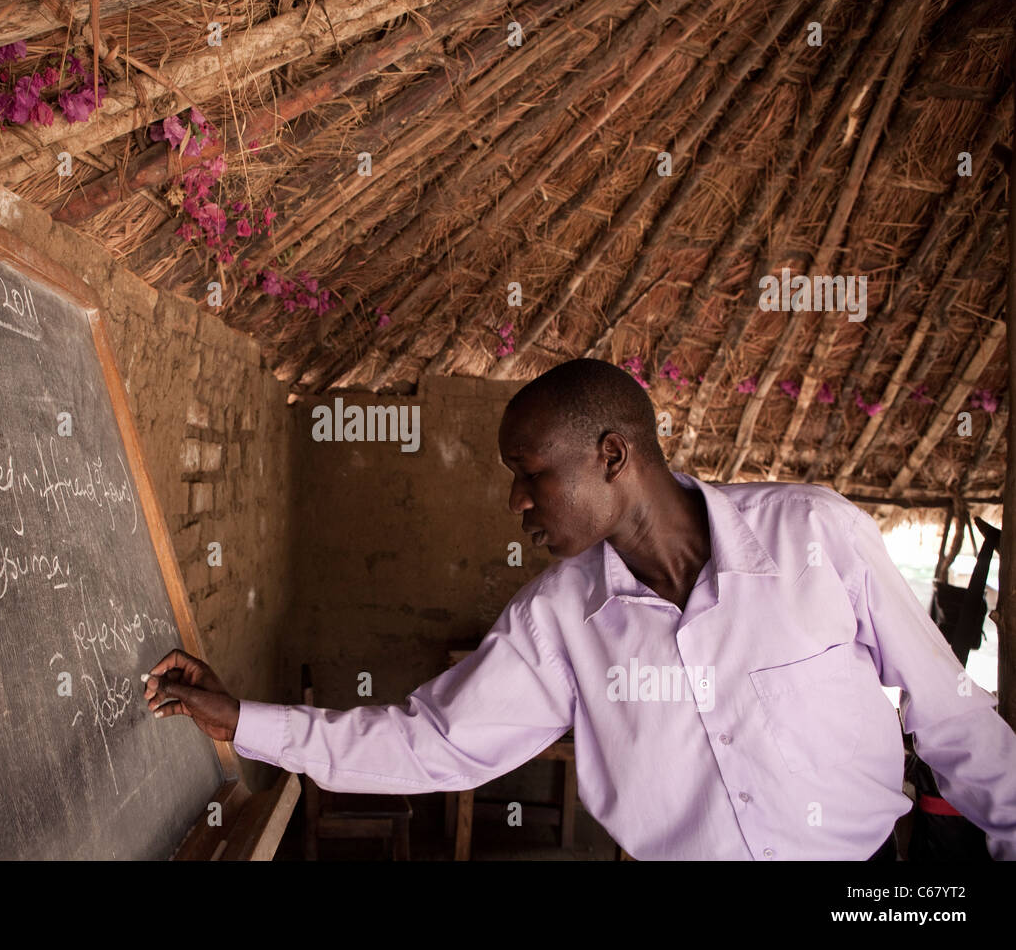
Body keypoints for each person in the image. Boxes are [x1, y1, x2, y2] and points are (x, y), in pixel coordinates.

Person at [143, 358, 1016, 860]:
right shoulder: (557, 621)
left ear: (612, 455)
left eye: (531, 474)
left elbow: (950, 718)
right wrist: (243, 722)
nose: (517, 502)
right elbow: (432, 745)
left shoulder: (814, 536)